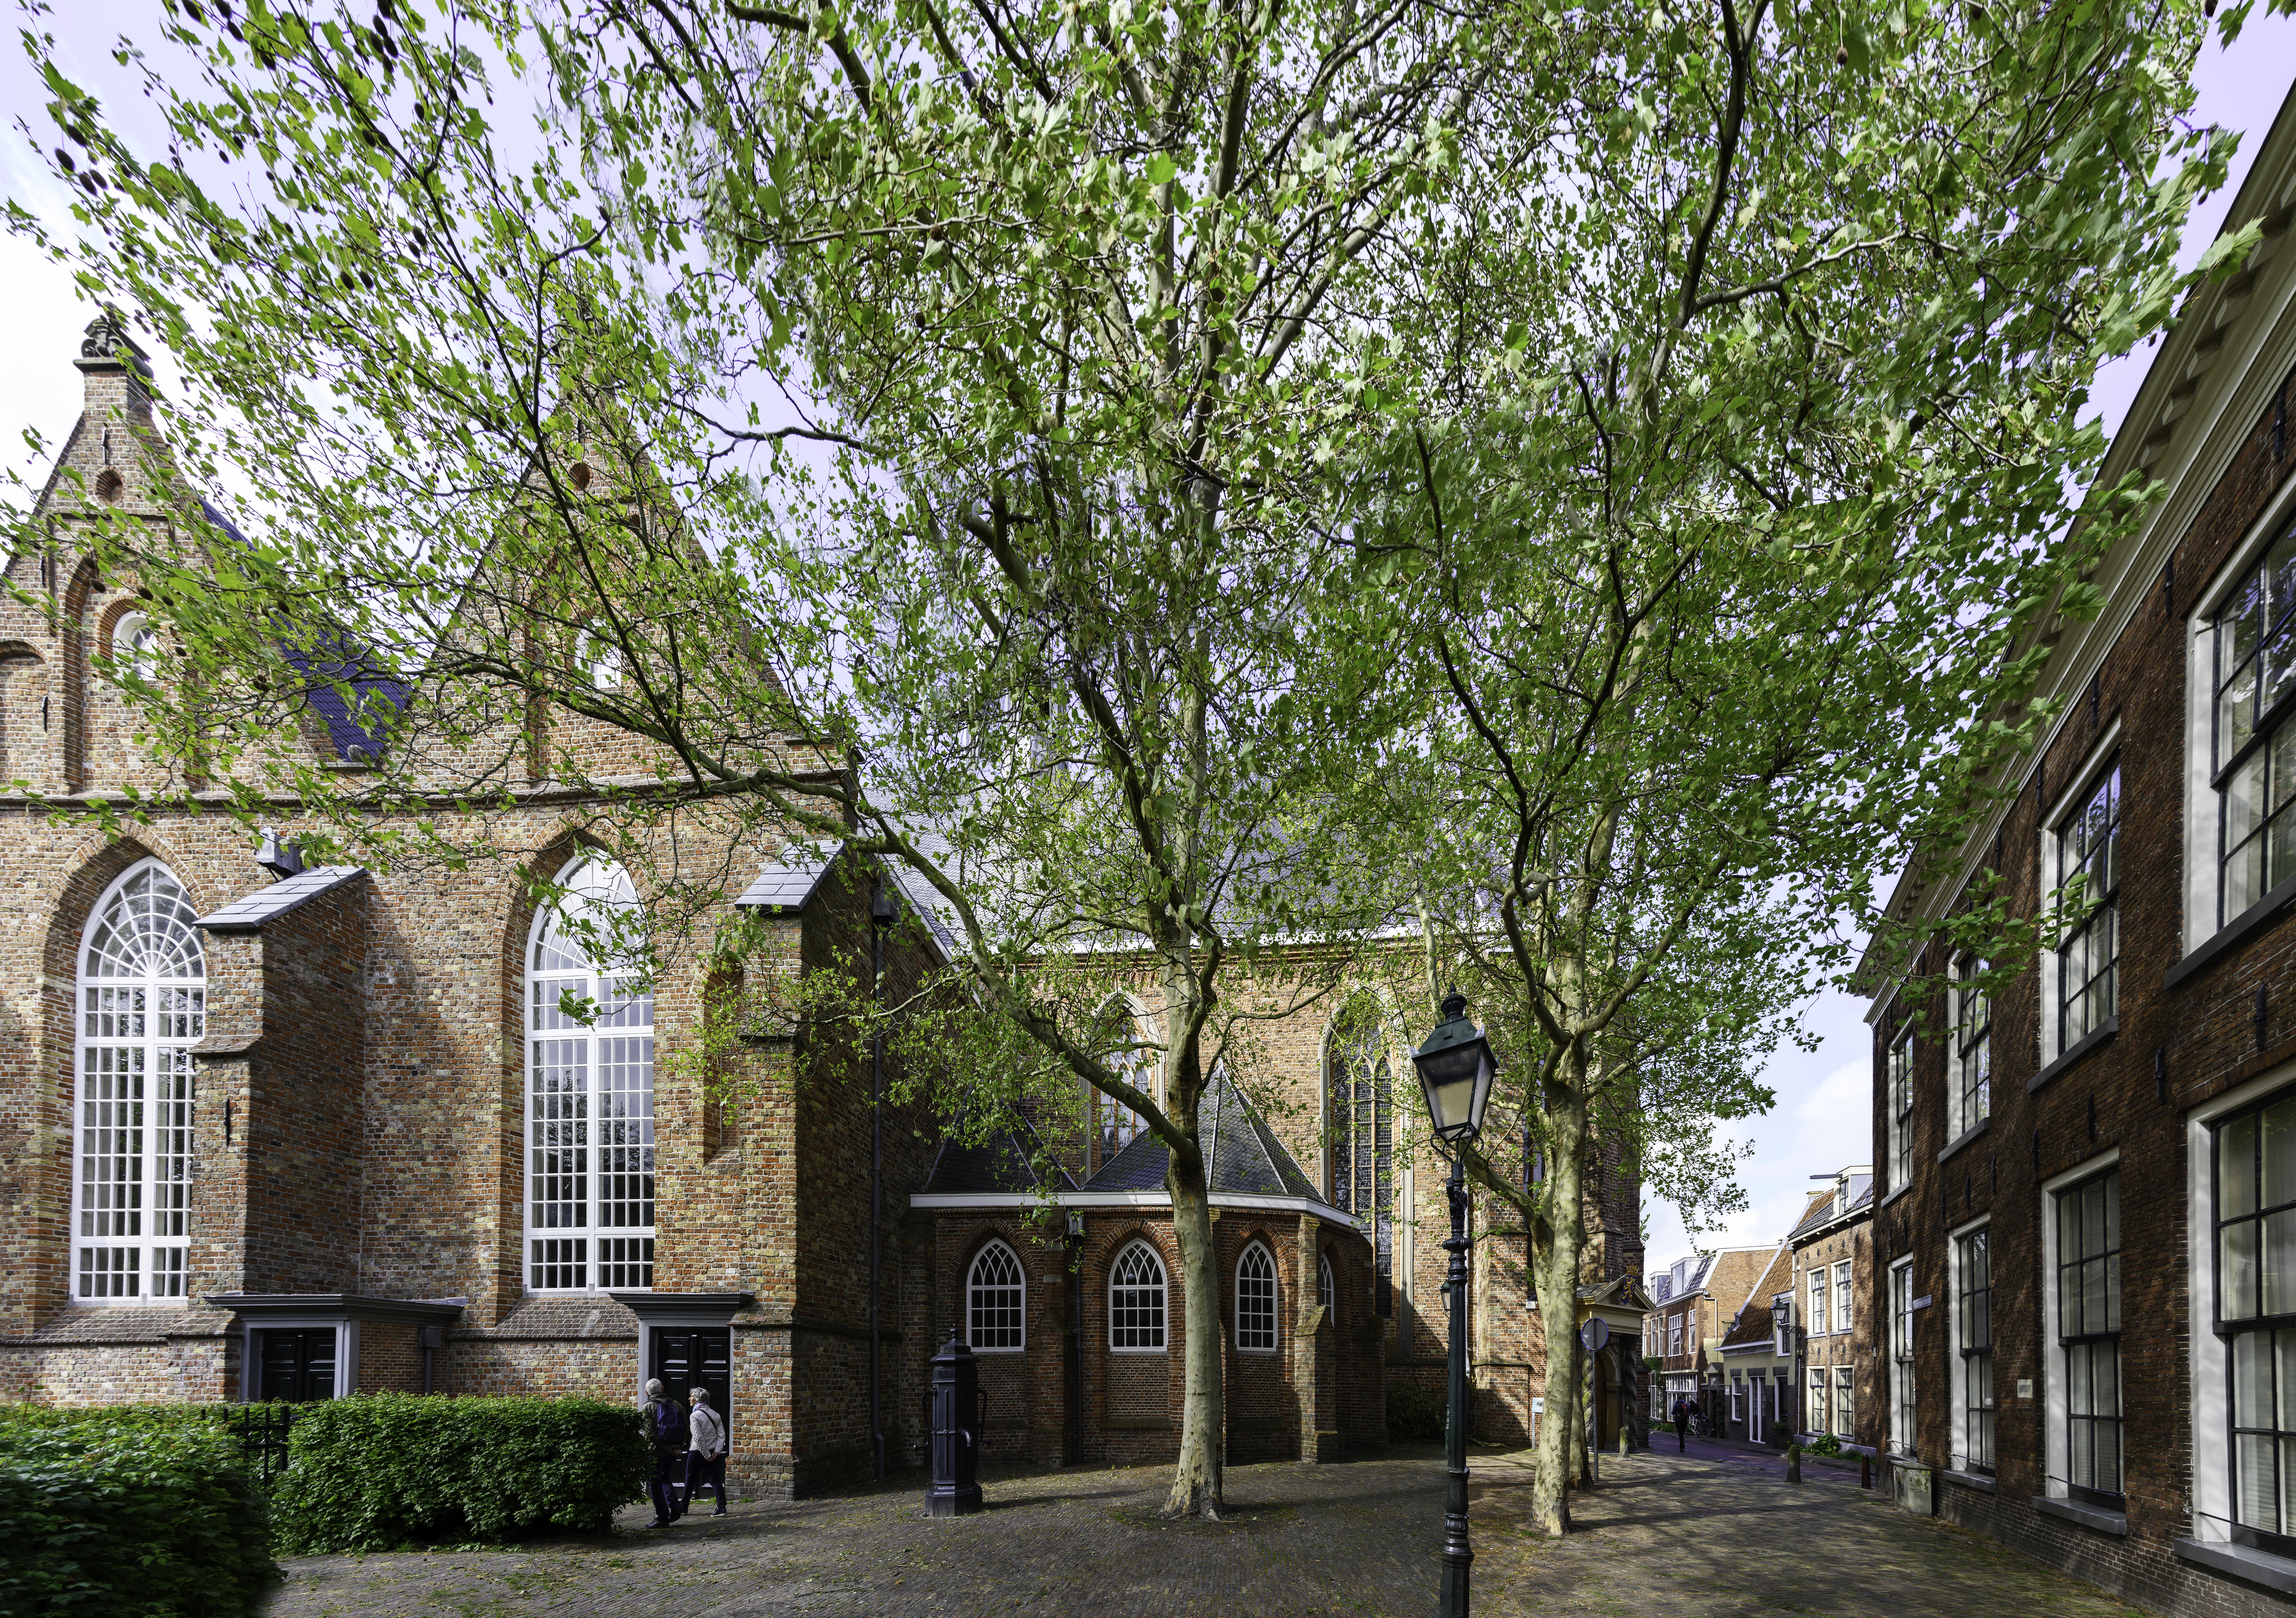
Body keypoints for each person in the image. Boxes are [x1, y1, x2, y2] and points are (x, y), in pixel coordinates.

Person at [642, 1378, 689, 1527]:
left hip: (655, 1453)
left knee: (655, 1485)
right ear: (662, 1389)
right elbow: (686, 1428)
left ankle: (662, 1519)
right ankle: (676, 1506)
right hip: (672, 1454)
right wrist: (678, 1448)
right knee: (664, 1479)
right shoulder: (677, 1405)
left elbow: (650, 1434)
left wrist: (668, 1448)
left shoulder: (648, 1407)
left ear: (647, 1393)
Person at [685, 1386, 729, 1517]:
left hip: (698, 1452)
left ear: (698, 1399)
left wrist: (707, 1456)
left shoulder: (695, 1415)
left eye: (692, 1396)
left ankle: (683, 1508)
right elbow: (722, 1436)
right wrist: (717, 1452)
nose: (690, 1399)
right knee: (715, 1480)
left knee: (690, 1480)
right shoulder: (716, 1415)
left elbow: (698, 1438)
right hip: (714, 1453)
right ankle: (722, 1508)